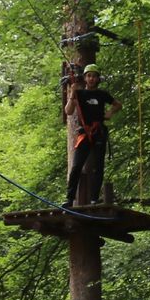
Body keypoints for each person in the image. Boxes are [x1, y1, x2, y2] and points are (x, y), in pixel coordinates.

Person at [64, 65, 117, 206]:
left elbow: (117, 104)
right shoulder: (79, 94)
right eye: (89, 76)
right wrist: (72, 94)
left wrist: (110, 113)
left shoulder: (102, 94)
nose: (91, 79)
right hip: (84, 133)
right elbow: (68, 111)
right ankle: (69, 199)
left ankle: (94, 198)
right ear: (85, 78)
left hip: (98, 131)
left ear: (98, 78)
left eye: (94, 76)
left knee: (98, 166)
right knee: (76, 166)